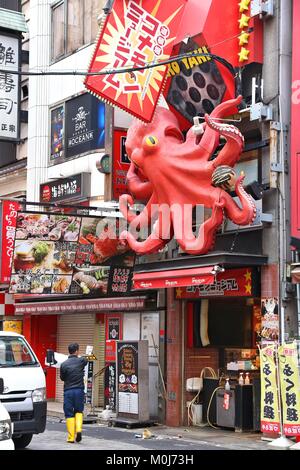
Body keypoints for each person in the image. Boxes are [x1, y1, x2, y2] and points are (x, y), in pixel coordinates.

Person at [60, 343, 87, 443]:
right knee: (79, 411)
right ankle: (79, 430)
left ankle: (71, 437)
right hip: (79, 390)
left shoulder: (64, 364)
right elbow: (86, 360)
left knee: (69, 413)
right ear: (76, 351)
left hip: (68, 391)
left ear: (69, 351)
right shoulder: (81, 361)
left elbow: (62, 378)